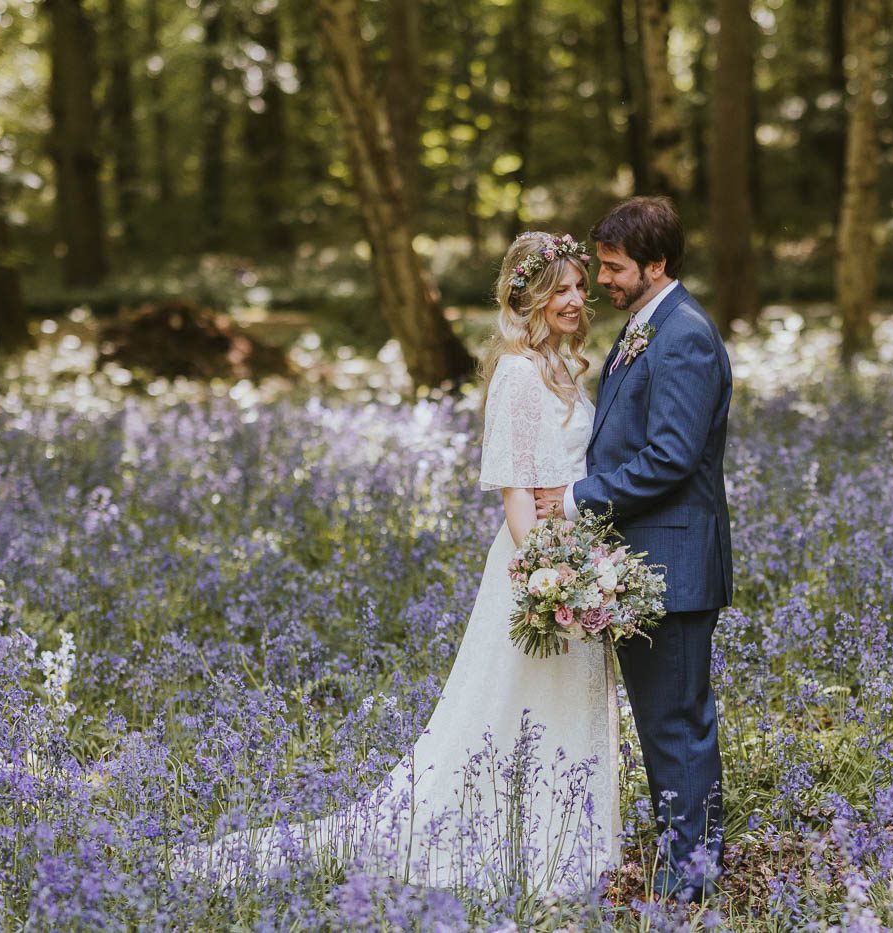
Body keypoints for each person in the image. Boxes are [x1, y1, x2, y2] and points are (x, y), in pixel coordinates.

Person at [186, 232, 620, 892]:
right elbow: (515, 493)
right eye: (560, 288)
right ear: (526, 295)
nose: (576, 299)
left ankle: (575, 843)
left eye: (580, 287)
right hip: (536, 563)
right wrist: (543, 576)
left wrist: (585, 563)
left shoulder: (565, 367)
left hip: (576, 558)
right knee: (520, 704)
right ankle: (523, 846)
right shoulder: (517, 375)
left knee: (566, 696)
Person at [534, 196, 733, 902]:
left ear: (657, 265)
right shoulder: (642, 329)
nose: (604, 281)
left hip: (674, 564)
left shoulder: (684, 336)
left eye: (615, 269)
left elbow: (672, 457)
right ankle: (683, 855)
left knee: (678, 722)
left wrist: (578, 498)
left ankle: (695, 877)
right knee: (660, 720)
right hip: (644, 563)